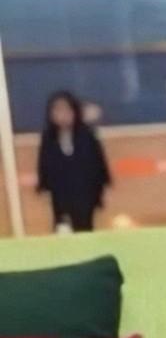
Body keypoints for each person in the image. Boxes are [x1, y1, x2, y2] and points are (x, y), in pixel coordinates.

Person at [36, 92, 111, 233]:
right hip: (60, 195)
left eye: (66, 110)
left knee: (84, 228)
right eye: (57, 110)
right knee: (62, 228)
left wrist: (101, 189)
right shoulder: (48, 138)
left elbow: (98, 163)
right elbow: (44, 164)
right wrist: (43, 186)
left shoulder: (87, 135)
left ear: (74, 112)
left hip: (84, 193)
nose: (62, 115)